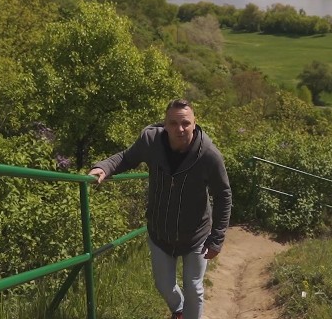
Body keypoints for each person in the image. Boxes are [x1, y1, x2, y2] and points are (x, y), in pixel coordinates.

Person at [88, 99, 232, 319]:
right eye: (173, 123)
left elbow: (223, 195)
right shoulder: (150, 141)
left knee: (194, 288)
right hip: (160, 233)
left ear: (195, 123)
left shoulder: (208, 155)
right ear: (165, 124)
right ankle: (179, 309)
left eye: (185, 123)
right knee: (164, 285)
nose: (180, 129)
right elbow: (127, 158)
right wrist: (103, 167)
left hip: (196, 235)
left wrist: (217, 238)